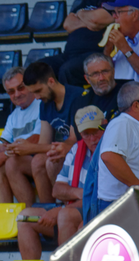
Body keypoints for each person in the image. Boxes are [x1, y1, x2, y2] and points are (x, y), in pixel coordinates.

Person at [17, 105, 104, 259]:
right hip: (74, 208)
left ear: (104, 125)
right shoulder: (76, 149)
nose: (92, 138)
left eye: (96, 131)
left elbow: (101, 197)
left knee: (65, 215)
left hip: (100, 211)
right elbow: (57, 190)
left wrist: (68, 204)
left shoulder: (110, 151)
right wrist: (80, 193)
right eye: (86, 134)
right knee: (24, 218)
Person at [7, 61, 84, 205]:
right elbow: (44, 142)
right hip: (62, 152)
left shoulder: (76, 96)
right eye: (33, 92)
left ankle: (63, 206)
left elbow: (73, 142)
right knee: (21, 162)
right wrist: (24, 148)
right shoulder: (45, 103)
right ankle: (45, 209)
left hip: (80, 154)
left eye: (38, 91)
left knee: (49, 160)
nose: (36, 97)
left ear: (51, 81)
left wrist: (30, 148)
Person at [97, 82, 139, 214]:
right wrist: (138, 187)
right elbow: (110, 157)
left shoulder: (136, 129)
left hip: (132, 208)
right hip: (122, 208)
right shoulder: (122, 123)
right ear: (136, 105)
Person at [0, 66, 40, 204]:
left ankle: (24, 213)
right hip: (17, 158)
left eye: (21, 88)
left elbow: (36, 139)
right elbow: (1, 145)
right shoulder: (13, 116)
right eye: (11, 91)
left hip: (36, 158)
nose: (17, 94)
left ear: (29, 85)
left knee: (10, 163)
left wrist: (4, 156)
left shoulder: (41, 105)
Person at [36, 0, 111, 88]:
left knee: (68, 70)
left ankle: (69, 101)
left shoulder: (113, 4)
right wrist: (90, 22)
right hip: (68, 54)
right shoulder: (87, 2)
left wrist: (80, 14)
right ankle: (50, 102)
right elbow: (68, 24)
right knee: (40, 67)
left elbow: (95, 19)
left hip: (93, 54)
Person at [73, 53, 122, 129]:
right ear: (87, 79)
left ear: (113, 72)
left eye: (105, 71)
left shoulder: (127, 94)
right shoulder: (82, 101)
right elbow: (75, 136)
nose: (101, 78)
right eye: (95, 74)